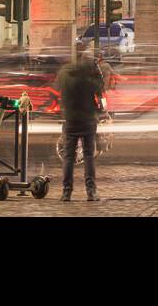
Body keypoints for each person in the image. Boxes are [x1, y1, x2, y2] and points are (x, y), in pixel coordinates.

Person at [56, 51, 106, 201]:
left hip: (70, 119)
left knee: (68, 157)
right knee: (89, 155)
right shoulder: (87, 78)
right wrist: (97, 70)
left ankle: (66, 192)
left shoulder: (64, 74)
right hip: (88, 120)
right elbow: (100, 88)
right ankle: (91, 191)